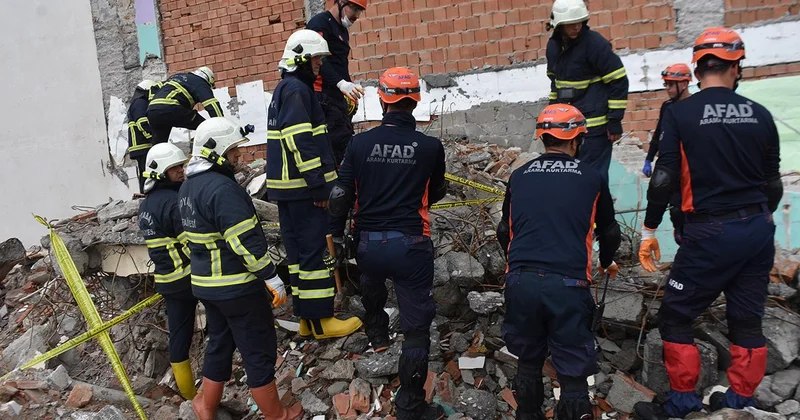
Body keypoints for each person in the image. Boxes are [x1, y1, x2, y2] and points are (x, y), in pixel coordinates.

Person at [635, 27, 782, 420]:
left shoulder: (681, 114)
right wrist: (758, 219)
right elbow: (773, 186)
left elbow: (664, 179)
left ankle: (682, 403)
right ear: (736, 67)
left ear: (698, 70)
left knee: (676, 315)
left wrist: (650, 230)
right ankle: (739, 403)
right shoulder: (760, 115)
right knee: (747, 320)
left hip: (711, 231)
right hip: (757, 229)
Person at [329, 67, 447, 420]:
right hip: (412, 244)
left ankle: (378, 334)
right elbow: (437, 190)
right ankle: (411, 406)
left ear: (382, 100)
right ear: (415, 102)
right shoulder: (430, 147)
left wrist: (337, 235)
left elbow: (341, 195)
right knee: (416, 330)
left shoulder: (359, 143)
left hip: (369, 243)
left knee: (371, 281)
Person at [497, 104, 621, 420]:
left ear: (543, 137)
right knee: (573, 371)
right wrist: (607, 260)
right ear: (577, 139)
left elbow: (503, 231)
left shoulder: (519, 176)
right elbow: (609, 231)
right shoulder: (591, 177)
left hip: (521, 281)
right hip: (568, 284)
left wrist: (517, 266)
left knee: (528, 360)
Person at [179, 117, 302, 420]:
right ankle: (278, 415)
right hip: (237, 288)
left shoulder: (187, 188)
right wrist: (271, 276)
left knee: (219, 344)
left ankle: (206, 407)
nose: (238, 156)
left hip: (206, 285)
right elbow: (244, 242)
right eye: (233, 150)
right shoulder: (223, 189)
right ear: (217, 151)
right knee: (258, 348)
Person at [266, 29, 362, 340]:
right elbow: (301, 142)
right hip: (305, 190)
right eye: (316, 60)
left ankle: (307, 319)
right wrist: (318, 186)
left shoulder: (285, 89)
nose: (320, 65)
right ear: (301, 60)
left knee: (298, 256)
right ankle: (322, 321)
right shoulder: (297, 91)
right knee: (314, 254)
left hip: (290, 190)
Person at [546, 0, 629, 182]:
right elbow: (555, 83)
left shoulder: (594, 44)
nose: (577, 27)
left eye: (580, 22)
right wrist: (552, 114)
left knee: (594, 179)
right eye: (571, 23)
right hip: (567, 128)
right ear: (559, 25)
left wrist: (615, 120)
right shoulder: (553, 47)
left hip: (595, 129)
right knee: (571, 179)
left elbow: (619, 81)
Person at [306, 0, 367, 165]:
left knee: (344, 143)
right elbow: (319, 60)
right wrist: (341, 84)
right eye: (354, 9)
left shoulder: (342, 30)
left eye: (360, 11)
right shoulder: (319, 24)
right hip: (322, 97)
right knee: (338, 143)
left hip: (336, 97)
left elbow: (340, 64)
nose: (356, 16)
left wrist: (349, 87)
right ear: (340, 3)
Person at [642, 63, 693, 244]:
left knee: (684, 214)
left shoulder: (694, 107)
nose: (668, 89)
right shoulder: (667, 106)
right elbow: (659, 134)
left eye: (671, 84)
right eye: (666, 84)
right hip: (669, 167)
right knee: (675, 213)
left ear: (684, 84)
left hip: (687, 170)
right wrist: (649, 159)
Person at [147, 66, 223, 144]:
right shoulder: (200, 82)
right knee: (204, 127)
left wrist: (152, 104)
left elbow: (154, 87)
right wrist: (222, 124)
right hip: (170, 108)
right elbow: (212, 104)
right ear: (208, 80)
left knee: (159, 145)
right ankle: (207, 146)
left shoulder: (177, 76)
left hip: (152, 112)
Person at [127, 79, 162, 193]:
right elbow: (142, 124)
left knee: (146, 172)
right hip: (142, 145)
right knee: (147, 172)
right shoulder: (140, 103)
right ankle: (147, 194)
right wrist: (154, 139)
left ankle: (146, 194)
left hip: (141, 145)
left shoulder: (138, 102)